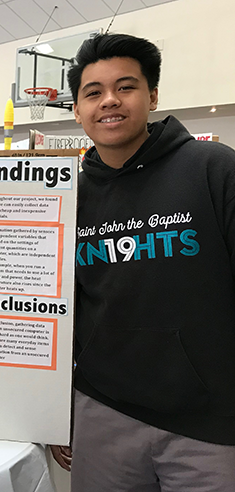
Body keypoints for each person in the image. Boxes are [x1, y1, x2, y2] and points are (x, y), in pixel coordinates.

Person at [51, 32, 235, 491]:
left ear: (152, 95)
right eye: (93, 92)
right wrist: (51, 411)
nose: (109, 101)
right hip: (103, 413)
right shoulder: (65, 198)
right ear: (77, 110)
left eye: (126, 87)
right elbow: (55, 309)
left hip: (210, 423)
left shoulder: (213, 168)